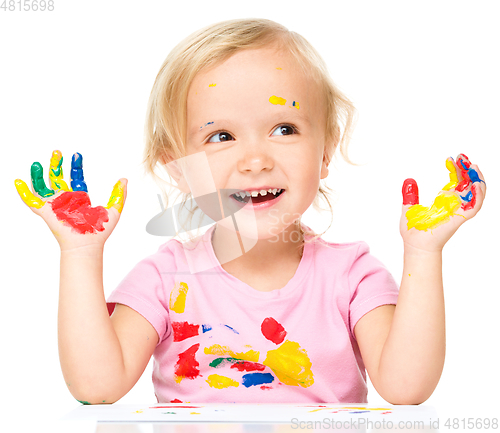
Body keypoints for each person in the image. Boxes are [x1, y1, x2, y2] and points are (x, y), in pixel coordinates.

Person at [14, 18, 486, 405]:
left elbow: (408, 389)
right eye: (221, 137)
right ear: (179, 169)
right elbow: (96, 388)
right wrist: (79, 254)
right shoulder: (166, 279)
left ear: (325, 152)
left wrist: (423, 253)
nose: (255, 159)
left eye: (284, 128)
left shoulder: (353, 275)